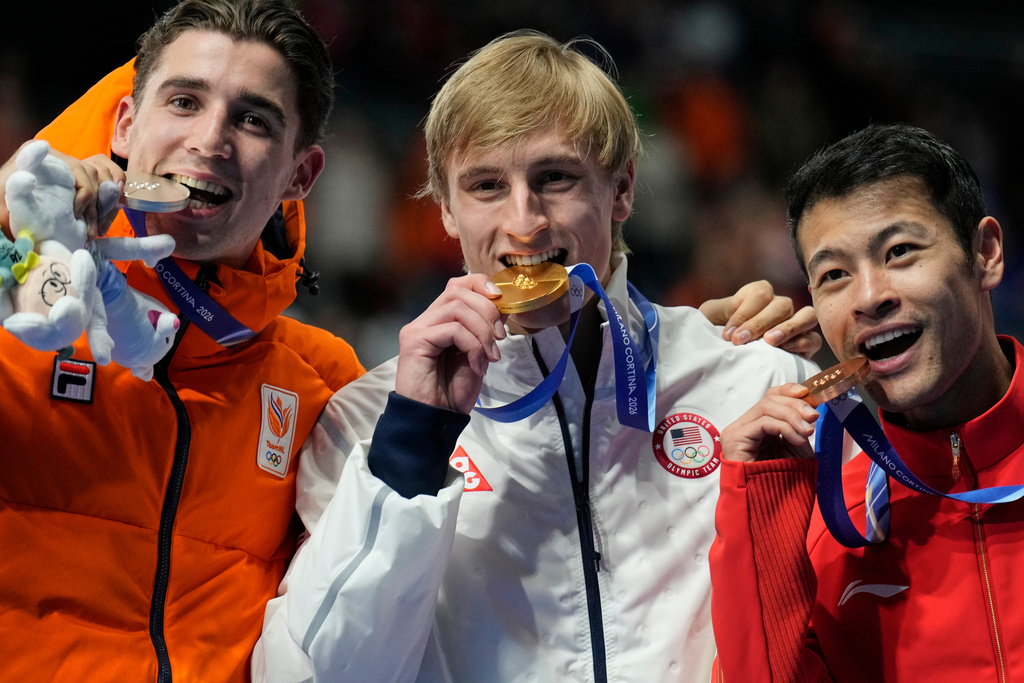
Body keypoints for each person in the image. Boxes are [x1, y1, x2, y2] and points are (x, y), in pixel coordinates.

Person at [255, 31, 820, 682]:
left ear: (623, 189)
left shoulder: (754, 377)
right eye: (487, 186)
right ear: (444, 209)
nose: (524, 222)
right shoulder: (367, 426)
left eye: (555, 178)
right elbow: (316, 674)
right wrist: (415, 441)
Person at [0, 1, 365, 680]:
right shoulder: (15, 317)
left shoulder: (325, 381)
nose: (211, 138)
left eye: (253, 118)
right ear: (126, 124)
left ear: (300, 175)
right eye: (184, 101)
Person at [709, 123, 1022, 681]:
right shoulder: (836, 528)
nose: (870, 297)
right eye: (833, 275)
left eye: (900, 251)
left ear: (985, 253)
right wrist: (761, 504)